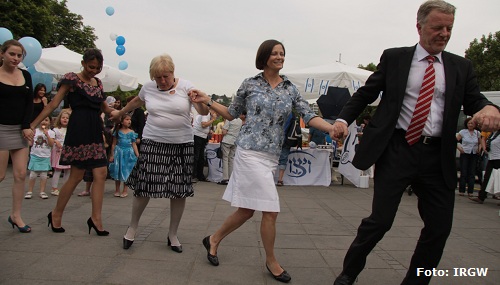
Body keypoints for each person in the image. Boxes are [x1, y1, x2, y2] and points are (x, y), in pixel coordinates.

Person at [329, 1, 500, 285]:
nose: (444, 33)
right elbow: (364, 94)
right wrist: (343, 121)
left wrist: (490, 109)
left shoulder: (461, 66)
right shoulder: (396, 58)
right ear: (419, 26)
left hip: (438, 155)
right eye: (437, 27)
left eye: (449, 28)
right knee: (380, 221)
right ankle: (349, 273)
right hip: (397, 150)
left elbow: (475, 100)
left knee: (439, 228)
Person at [190, 39, 335, 283]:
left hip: (271, 156)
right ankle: (271, 261)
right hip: (248, 152)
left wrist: (330, 128)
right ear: (265, 57)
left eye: (282, 53)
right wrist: (208, 100)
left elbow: (308, 116)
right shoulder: (250, 84)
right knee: (271, 210)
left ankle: (213, 239)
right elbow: (232, 113)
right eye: (275, 53)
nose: (280, 57)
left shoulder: (290, 88)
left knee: (246, 211)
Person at [110, 53, 209, 252]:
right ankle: (132, 228)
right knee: (144, 186)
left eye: (166, 76)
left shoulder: (186, 86)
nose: (162, 81)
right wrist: (120, 113)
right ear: (152, 77)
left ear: (173, 73)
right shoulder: (148, 88)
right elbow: (136, 102)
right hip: (153, 142)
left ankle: (173, 234)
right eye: (158, 77)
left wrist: (198, 101)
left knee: (178, 190)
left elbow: (204, 112)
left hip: (181, 144)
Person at [31, 48, 114, 236]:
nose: (94, 71)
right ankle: (56, 214)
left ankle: (96, 218)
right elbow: (53, 104)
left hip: (95, 128)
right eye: (91, 66)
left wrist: (121, 112)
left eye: (98, 68)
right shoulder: (71, 79)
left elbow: (106, 108)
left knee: (100, 173)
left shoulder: (98, 83)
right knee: (76, 176)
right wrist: (33, 125)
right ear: (83, 63)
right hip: (78, 129)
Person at [0, 39, 34, 233]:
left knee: (21, 174)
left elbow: (29, 103)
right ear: (2, 53)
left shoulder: (25, 75)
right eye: (11, 54)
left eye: (19, 55)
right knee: (1, 174)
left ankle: (16, 215)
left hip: (20, 130)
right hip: (1, 128)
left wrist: (26, 125)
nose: (15, 58)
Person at [108, 113, 139, 198]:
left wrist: (137, 155)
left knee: (127, 170)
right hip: (119, 152)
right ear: (121, 122)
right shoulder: (118, 132)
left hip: (128, 152)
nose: (129, 121)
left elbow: (134, 144)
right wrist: (112, 155)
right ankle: (117, 189)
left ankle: (125, 190)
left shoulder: (132, 132)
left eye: (130, 120)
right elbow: (114, 144)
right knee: (117, 170)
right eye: (127, 119)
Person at [26, 116, 54, 199]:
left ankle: (42, 191)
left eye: (46, 120)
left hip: (45, 156)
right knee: (33, 175)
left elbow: (51, 144)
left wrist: (47, 135)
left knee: (43, 175)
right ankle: (30, 191)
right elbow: (30, 143)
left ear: (50, 122)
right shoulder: (35, 131)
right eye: (42, 120)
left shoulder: (51, 132)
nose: (44, 122)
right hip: (35, 155)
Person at [470, 130, 500, 204]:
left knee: (498, 178)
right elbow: (484, 140)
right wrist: (485, 149)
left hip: (498, 159)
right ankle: (481, 197)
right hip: (491, 158)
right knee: (487, 178)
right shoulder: (492, 133)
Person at [217, 112, 245, 185]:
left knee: (225, 159)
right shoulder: (240, 121)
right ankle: (231, 177)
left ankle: (225, 178)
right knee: (231, 159)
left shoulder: (229, 119)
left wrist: (224, 130)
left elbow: (224, 132)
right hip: (235, 140)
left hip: (227, 140)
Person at [456, 117, 481, 197]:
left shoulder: (477, 133)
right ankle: (462, 190)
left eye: (472, 123)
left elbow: (480, 142)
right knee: (464, 172)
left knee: (472, 172)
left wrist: (479, 149)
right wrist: (460, 149)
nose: (470, 125)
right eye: (469, 123)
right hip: (465, 153)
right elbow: (455, 141)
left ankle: (470, 191)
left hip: (473, 154)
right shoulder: (463, 132)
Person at [50, 109, 72, 196]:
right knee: (58, 170)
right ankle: (54, 187)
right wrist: (56, 141)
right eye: (63, 117)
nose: (65, 119)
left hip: (67, 151)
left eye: (67, 118)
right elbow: (51, 139)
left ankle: (65, 187)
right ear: (60, 119)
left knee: (67, 170)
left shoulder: (70, 130)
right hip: (58, 151)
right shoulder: (55, 130)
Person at [192, 109, 217, 182]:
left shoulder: (207, 115)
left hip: (203, 136)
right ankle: (194, 175)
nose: (216, 115)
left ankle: (199, 175)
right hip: (198, 136)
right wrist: (213, 120)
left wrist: (209, 131)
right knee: (197, 156)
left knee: (201, 157)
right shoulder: (205, 114)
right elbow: (203, 125)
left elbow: (205, 126)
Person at [277, 113, 296, 187]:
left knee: (271, 158)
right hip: (287, 140)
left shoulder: (276, 111)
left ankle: (269, 178)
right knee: (283, 159)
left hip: (275, 139)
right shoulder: (291, 114)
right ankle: (280, 179)